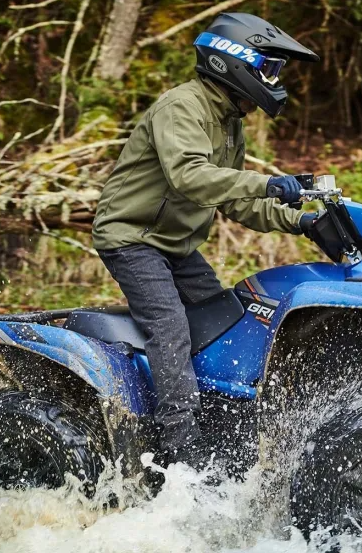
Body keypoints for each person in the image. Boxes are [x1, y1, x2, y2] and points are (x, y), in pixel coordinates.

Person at [91, 13, 320, 469]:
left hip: (176, 245)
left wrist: (302, 221)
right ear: (233, 62)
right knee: (171, 326)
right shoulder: (183, 106)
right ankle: (181, 450)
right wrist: (267, 183)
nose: (273, 81)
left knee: (225, 320)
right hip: (133, 238)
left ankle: (223, 432)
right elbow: (190, 177)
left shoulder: (229, 119)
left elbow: (236, 202)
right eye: (269, 69)